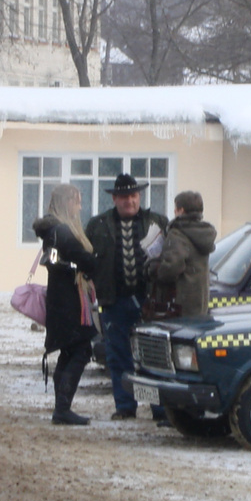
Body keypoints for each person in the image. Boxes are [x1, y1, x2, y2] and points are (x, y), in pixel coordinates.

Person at [85, 174, 168, 420]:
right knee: (119, 356)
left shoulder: (157, 222)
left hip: (149, 301)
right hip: (114, 301)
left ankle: (159, 410)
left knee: (152, 357)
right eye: (124, 197)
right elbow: (87, 260)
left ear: (139, 196)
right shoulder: (97, 225)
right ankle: (125, 407)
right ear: (114, 198)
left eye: (133, 196)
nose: (129, 201)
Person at [32, 185, 99, 426]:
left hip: (62, 299)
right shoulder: (63, 231)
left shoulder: (53, 230)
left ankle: (62, 406)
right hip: (70, 301)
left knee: (69, 351)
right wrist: (95, 262)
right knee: (80, 350)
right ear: (66, 203)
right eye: (77, 201)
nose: (80, 207)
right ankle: (62, 408)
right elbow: (84, 260)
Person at [146, 191, 217, 317]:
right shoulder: (203, 233)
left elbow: (172, 267)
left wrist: (154, 268)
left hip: (180, 303)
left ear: (181, 210)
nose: (174, 212)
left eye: (176, 209)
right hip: (200, 301)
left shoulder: (178, 234)